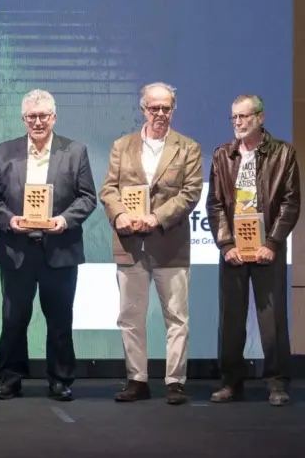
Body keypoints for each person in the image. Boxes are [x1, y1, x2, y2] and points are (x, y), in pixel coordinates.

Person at [0, 89, 97, 402]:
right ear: (23, 119)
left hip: (59, 249)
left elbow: (88, 197)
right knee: (13, 319)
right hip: (16, 249)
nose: (38, 122)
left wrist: (64, 220)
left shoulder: (75, 151)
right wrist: (9, 220)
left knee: (60, 320)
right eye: (32, 116)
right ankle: (10, 379)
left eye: (43, 116)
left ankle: (60, 380)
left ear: (54, 118)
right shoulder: (5, 151)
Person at [99, 82, 203, 405]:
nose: (160, 113)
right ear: (142, 109)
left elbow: (190, 193)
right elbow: (109, 190)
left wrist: (156, 217)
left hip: (169, 243)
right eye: (154, 108)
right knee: (130, 317)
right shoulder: (122, 145)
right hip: (130, 244)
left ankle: (175, 382)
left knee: (176, 318)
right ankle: (137, 379)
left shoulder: (188, 148)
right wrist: (118, 217)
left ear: (174, 110)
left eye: (166, 108)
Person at [207, 94, 300, 406]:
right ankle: (231, 382)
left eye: (244, 117)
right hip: (234, 250)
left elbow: (290, 203)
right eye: (234, 117)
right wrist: (226, 244)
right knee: (231, 319)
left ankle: (277, 384)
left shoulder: (283, 154)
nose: (238, 123)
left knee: (272, 319)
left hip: (267, 249)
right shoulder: (222, 155)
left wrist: (272, 243)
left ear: (260, 117)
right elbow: (215, 204)